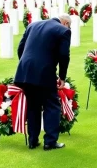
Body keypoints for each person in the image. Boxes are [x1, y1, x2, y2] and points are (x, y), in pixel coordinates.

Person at [14, 14, 72, 150]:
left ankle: (33, 140)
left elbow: (20, 48)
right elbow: (64, 55)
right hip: (44, 72)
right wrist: (62, 77)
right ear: (65, 23)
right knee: (52, 105)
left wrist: (27, 66)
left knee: (33, 105)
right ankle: (50, 142)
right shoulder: (63, 30)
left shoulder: (32, 25)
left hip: (25, 72)